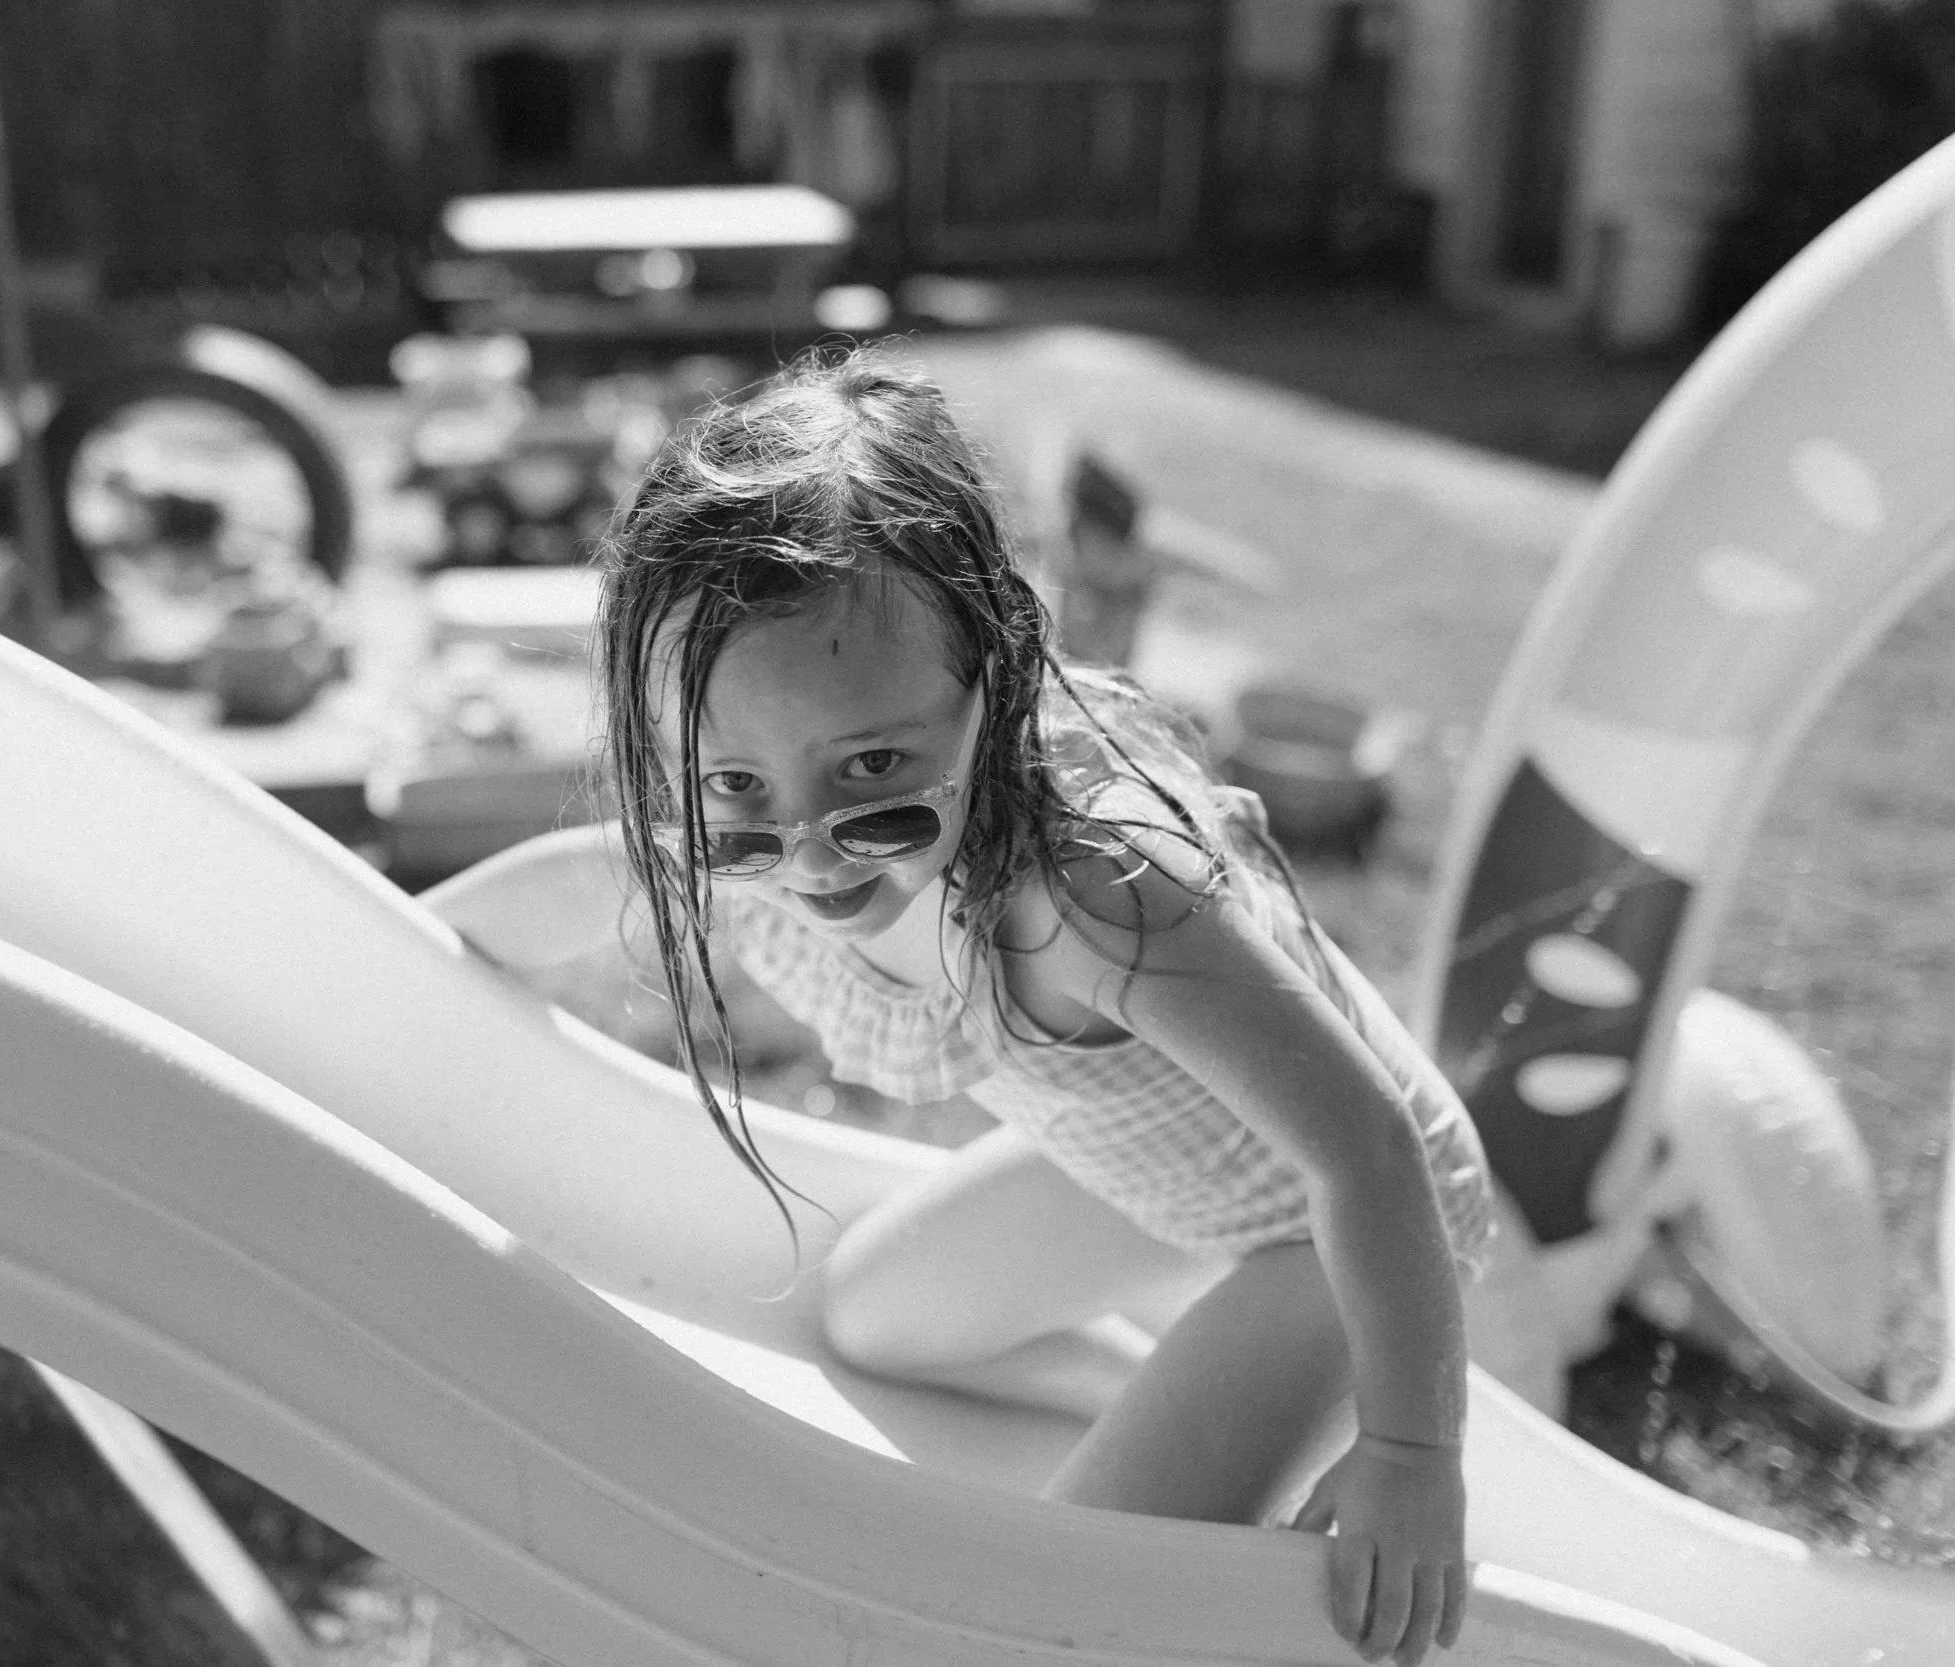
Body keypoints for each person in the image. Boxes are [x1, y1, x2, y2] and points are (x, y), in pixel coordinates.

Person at [428, 348, 1492, 1667]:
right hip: (1157, 1165)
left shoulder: (1091, 893)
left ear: (993, 680)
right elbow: (579, 890)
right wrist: (370, 944)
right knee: (874, 1319)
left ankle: (1233, 1448)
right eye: (735, 787)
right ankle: (1170, 1404)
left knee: (1060, 1609)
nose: (810, 851)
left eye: (874, 768)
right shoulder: (758, 831)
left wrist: (1411, 1453)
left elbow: (1367, 1147)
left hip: (1326, 1217)